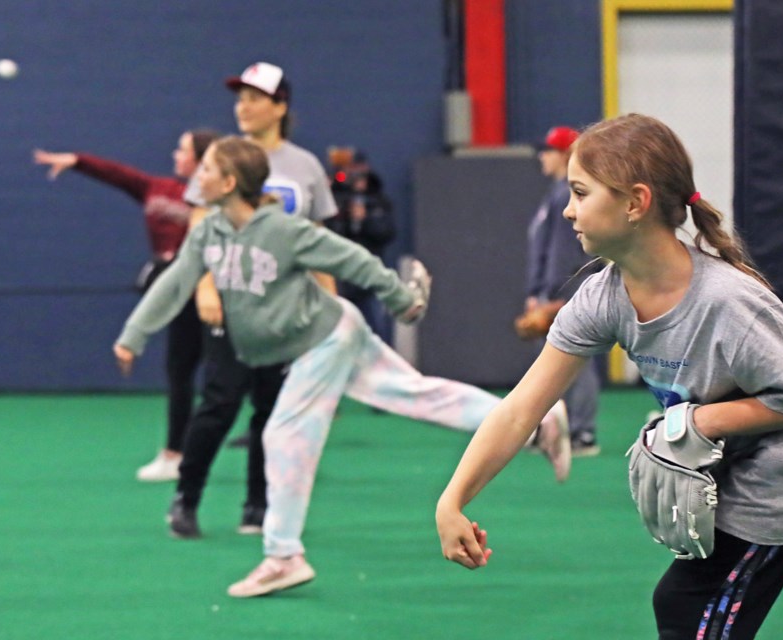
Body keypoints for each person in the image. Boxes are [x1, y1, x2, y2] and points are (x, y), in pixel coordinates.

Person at [436, 113, 783, 639]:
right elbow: (523, 407)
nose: (568, 211)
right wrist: (452, 499)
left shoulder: (728, 302)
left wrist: (699, 422)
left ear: (635, 203)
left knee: (687, 610)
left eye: (581, 193)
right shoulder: (602, 296)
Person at [113, 136, 570, 598]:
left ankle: (283, 556)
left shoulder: (283, 230)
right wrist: (134, 335)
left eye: (207, 169)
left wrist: (401, 298)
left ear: (230, 182)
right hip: (328, 337)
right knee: (416, 394)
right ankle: (538, 421)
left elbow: (351, 259)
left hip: (324, 338)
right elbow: (175, 282)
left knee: (282, 433)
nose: (197, 176)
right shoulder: (210, 232)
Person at [170, 62, 340, 537]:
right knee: (221, 399)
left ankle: (257, 506)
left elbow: (318, 241)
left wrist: (332, 306)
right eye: (239, 97)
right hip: (231, 302)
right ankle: (186, 498)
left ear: (280, 106)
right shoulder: (221, 157)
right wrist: (204, 286)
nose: (242, 106)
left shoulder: (305, 166)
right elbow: (198, 226)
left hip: (287, 311)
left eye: (254, 97)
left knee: (274, 408)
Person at [33, 129, 219, 481]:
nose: (175, 154)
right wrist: (78, 162)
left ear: (202, 160)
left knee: (229, 375)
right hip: (176, 292)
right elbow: (121, 176)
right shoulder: (159, 189)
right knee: (180, 370)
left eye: (183, 149)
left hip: (212, 292)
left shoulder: (217, 201)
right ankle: (174, 454)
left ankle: (260, 446)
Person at [522, 126, 602, 456]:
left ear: (566, 154)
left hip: (567, 289)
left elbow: (566, 250)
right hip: (555, 289)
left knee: (575, 360)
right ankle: (553, 429)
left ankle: (583, 432)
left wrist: (556, 292)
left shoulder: (568, 194)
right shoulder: (556, 192)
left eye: (550, 150)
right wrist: (536, 290)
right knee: (553, 363)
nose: (543, 155)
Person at [326, 150, 397, 343]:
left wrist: (364, 219)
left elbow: (386, 232)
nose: (356, 176)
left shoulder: (377, 200)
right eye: (351, 171)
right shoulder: (335, 197)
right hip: (340, 279)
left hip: (369, 279)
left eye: (359, 171)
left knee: (375, 334)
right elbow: (327, 233)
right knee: (339, 335)